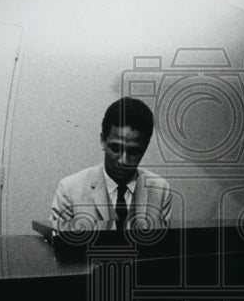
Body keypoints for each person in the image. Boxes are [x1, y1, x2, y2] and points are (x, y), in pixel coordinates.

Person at [50, 97, 171, 234]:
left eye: (133, 151)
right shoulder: (69, 190)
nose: (123, 161)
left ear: (145, 148)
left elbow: (163, 249)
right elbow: (58, 250)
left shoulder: (161, 189)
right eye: (115, 148)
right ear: (102, 140)